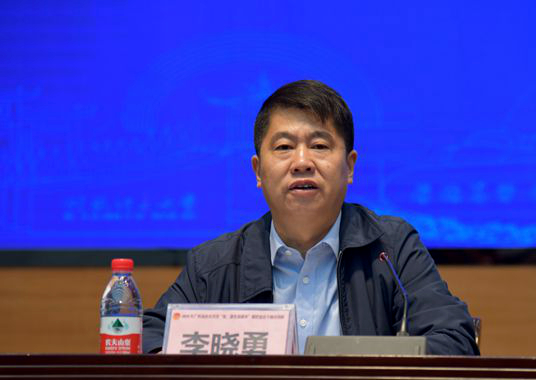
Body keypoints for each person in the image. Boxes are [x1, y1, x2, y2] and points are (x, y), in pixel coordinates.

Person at [143, 80, 479, 355]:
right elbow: (147, 338)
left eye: (319, 146)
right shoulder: (213, 264)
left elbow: (454, 340)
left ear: (349, 166)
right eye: (284, 147)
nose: (302, 162)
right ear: (258, 171)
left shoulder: (390, 249)